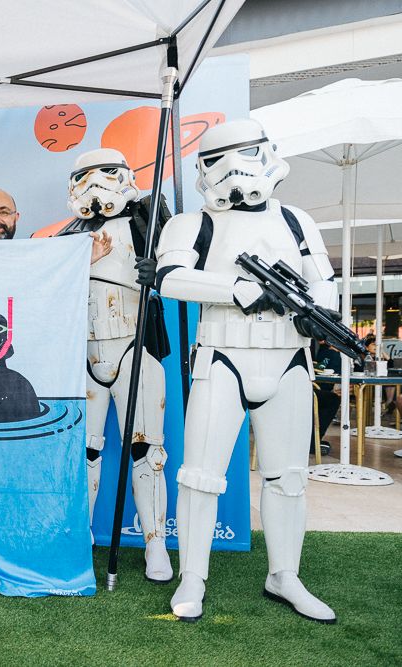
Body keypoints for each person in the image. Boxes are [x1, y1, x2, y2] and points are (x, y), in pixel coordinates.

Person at [153, 118, 338, 623]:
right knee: (199, 476)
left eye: (245, 153)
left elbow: (324, 280)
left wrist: (313, 309)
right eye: (219, 158)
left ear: (266, 153)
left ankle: (285, 575)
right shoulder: (192, 223)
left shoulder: (297, 220)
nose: (234, 168)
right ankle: (192, 575)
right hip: (223, 356)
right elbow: (170, 277)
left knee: (288, 477)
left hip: (289, 359)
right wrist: (234, 290)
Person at [47, 148, 173, 582]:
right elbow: (48, 286)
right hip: (85, 354)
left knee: (147, 450)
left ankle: (155, 541)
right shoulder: (68, 236)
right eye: (85, 178)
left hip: (136, 346)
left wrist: (154, 267)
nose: (95, 186)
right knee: (85, 449)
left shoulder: (144, 220)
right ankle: (80, 534)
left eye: (106, 176)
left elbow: (174, 264)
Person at [0, 187, 113, 262]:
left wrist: (84, 261)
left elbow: (56, 279)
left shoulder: (33, 262)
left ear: (16, 217)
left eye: (4, 212)